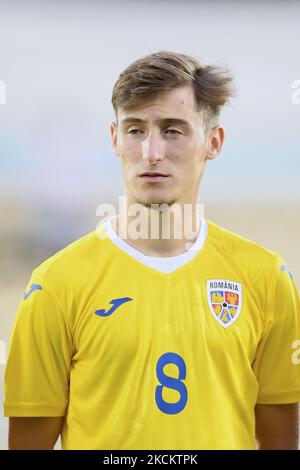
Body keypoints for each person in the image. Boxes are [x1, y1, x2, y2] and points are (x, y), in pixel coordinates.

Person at [4, 51, 300, 450]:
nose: (151, 153)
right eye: (135, 130)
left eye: (174, 130)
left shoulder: (265, 277)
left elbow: (281, 439)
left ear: (213, 142)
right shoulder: (55, 285)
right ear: (114, 139)